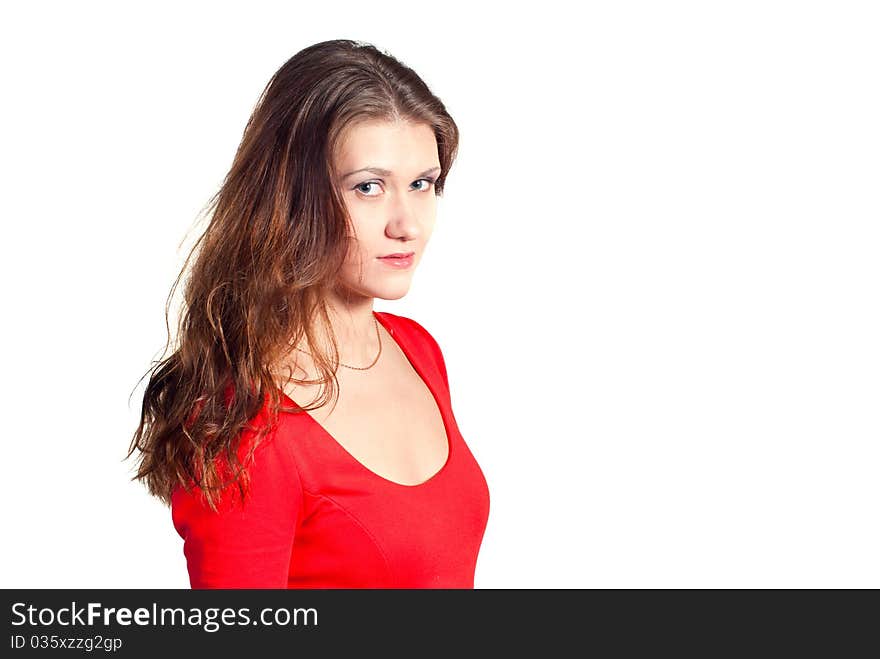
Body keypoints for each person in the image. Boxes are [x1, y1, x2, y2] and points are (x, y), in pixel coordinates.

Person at [127, 39, 490, 588]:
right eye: (368, 188)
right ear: (291, 195)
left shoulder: (417, 350)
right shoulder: (247, 419)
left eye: (423, 184)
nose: (407, 224)